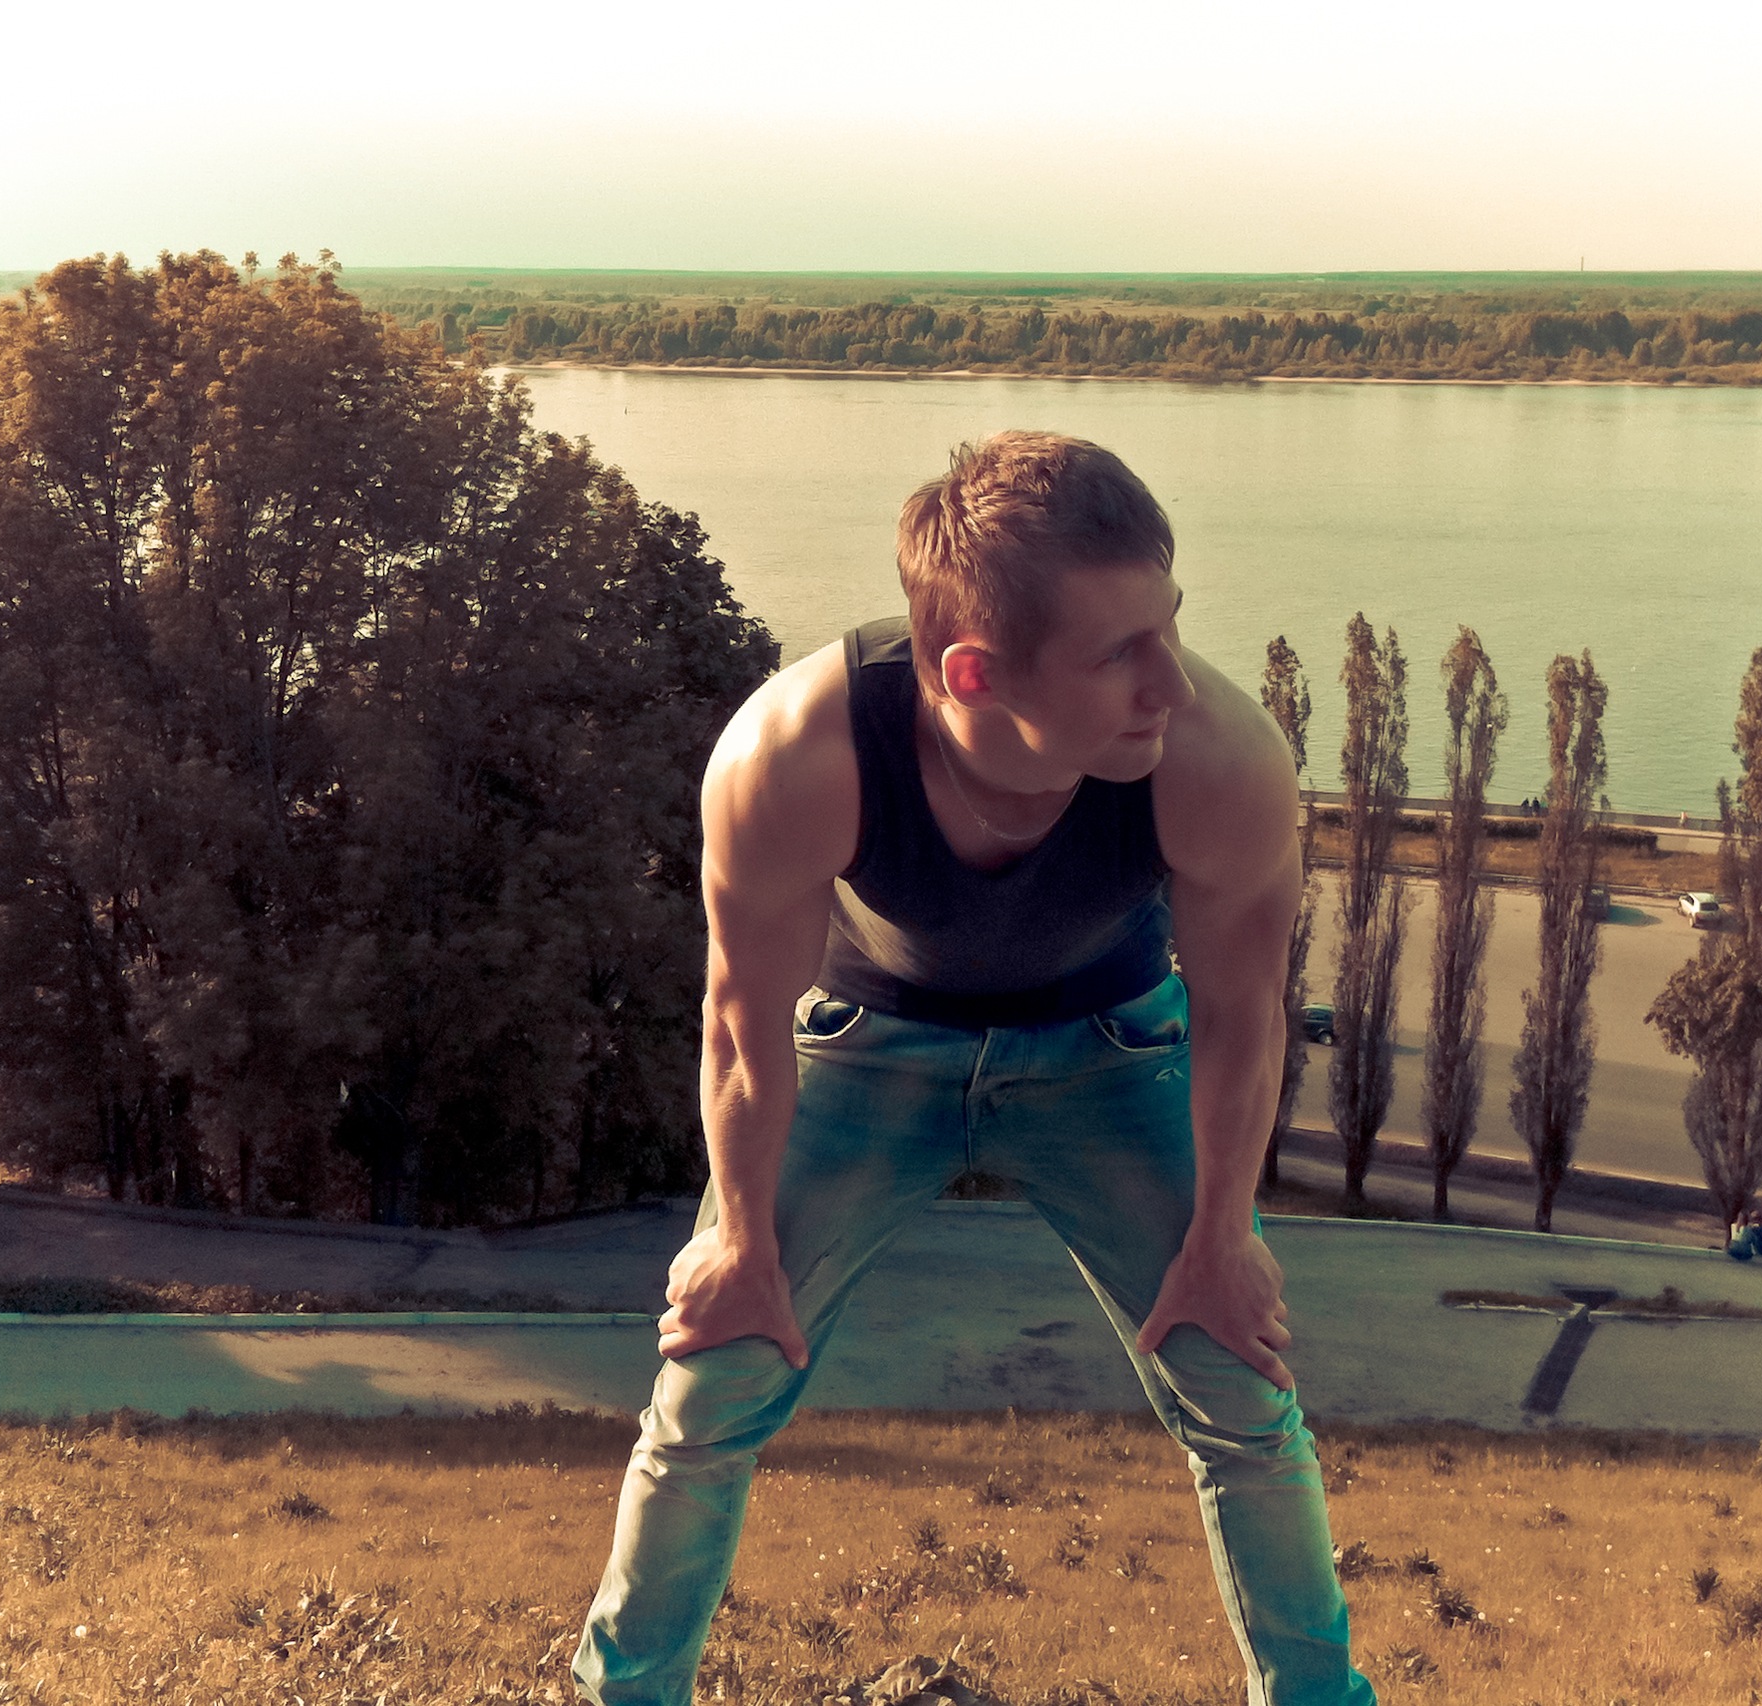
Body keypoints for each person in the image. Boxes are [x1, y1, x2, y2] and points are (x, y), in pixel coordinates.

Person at [572, 431, 1375, 1705]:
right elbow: (740, 1017)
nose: (1169, 679)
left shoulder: (1220, 761)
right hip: (868, 1047)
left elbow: (1240, 1014)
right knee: (712, 1375)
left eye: (1169, 624)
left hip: (1107, 1052)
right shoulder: (794, 754)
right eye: (1120, 652)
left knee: (1239, 1380)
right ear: (972, 670)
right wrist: (740, 1241)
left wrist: (1224, 1235)